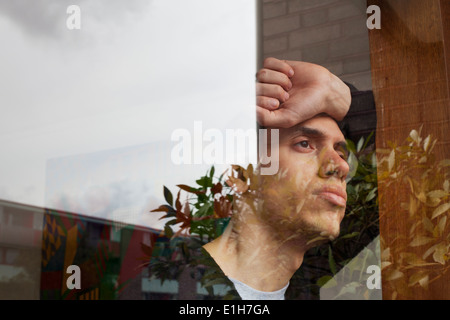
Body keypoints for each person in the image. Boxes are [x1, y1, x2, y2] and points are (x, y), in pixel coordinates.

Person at [201, 57, 351, 300]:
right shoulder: (173, 289)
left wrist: (333, 90)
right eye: (305, 144)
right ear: (240, 173)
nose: (341, 165)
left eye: (342, 152)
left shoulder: (325, 287)